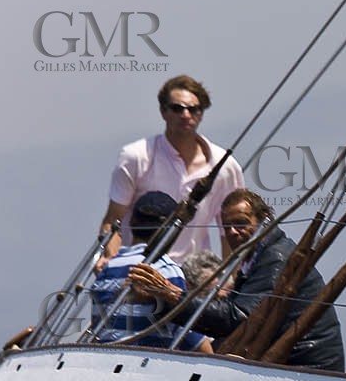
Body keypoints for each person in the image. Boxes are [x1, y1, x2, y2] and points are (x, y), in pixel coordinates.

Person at [126, 188, 345, 370]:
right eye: (226, 226)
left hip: (308, 365)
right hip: (286, 361)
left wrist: (171, 293)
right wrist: (159, 300)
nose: (232, 232)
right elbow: (232, 319)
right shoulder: (256, 257)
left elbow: (239, 319)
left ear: (264, 221)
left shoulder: (275, 258)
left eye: (241, 223)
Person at [99, 75, 245, 268]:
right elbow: (112, 222)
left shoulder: (225, 167)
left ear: (201, 113)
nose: (185, 115)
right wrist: (113, 263)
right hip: (139, 271)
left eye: (193, 109)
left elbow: (230, 230)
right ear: (163, 111)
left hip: (192, 278)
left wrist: (229, 280)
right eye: (177, 108)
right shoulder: (136, 157)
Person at [88, 191, 213, 353]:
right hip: (146, 366)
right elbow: (186, 332)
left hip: (106, 360)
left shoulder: (106, 269)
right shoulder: (167, 271)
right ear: (171, 230)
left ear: (132, 223)